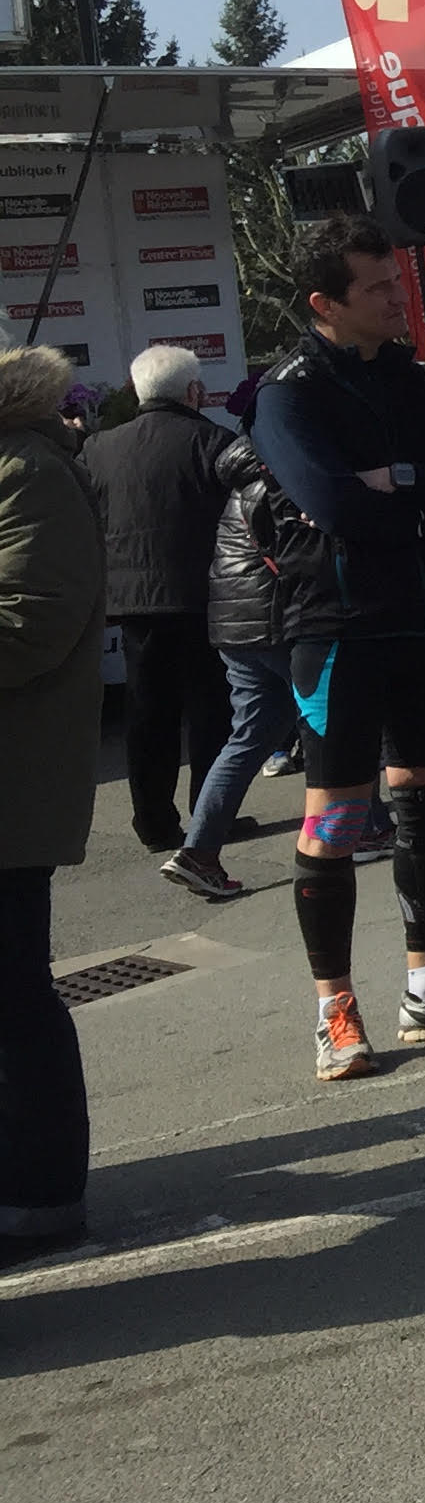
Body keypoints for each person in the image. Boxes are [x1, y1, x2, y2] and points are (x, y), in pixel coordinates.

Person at [252, 220, 425, 1080]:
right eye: (378, 288)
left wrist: (403, 479)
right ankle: (335, 1008)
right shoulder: (289, 394)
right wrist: (419, 486)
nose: (396, 298)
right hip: (337, 631)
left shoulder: (414, 378)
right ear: (325, 303)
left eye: (395, 283)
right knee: (334, 821)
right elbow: (336, 507)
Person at [0, 343, 104, 1263]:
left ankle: (40, 1194)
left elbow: (33, 620)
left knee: (12, 996)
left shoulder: (26, 469)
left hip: (12, 785)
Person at [79, 343, 233, 853]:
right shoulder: (213, 442)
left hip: (133, 602)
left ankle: (153, 823)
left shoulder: (98, 448)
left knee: (149, 714)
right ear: (194, 392)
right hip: (201, 598)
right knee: (211, 711)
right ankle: (211, 816)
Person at [162, 432, 305, 901]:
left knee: (250, 736)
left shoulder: (239, 490)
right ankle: (364, 824)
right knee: (333, 719)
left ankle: (199, 851)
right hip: (275, 624)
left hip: (232, 627)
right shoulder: (276, 488)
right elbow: (297, 555)